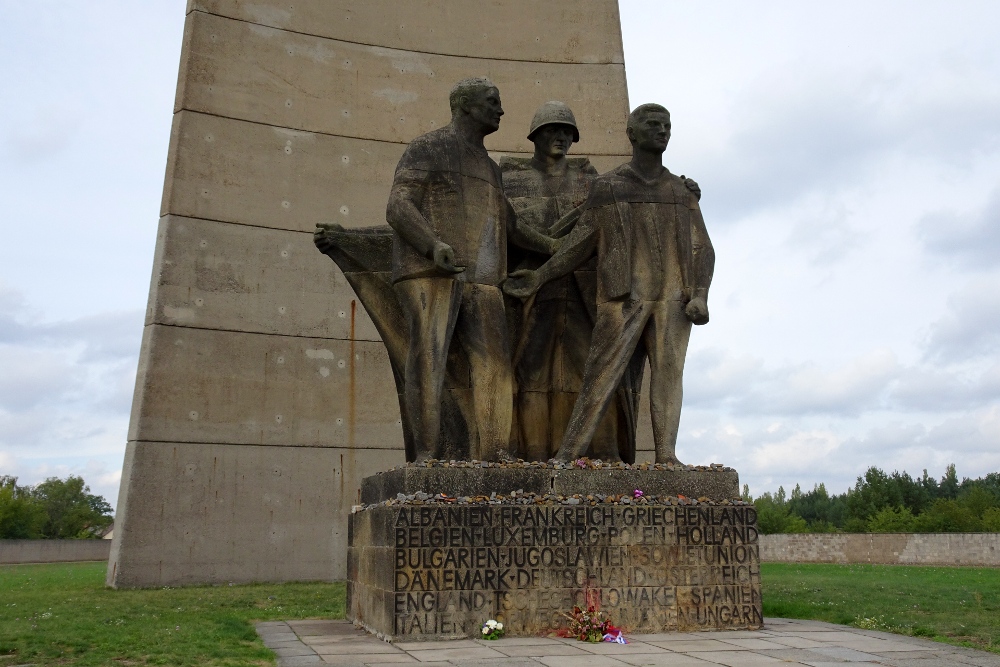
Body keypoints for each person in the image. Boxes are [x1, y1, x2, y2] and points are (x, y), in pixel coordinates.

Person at [504, 103, 714, 465]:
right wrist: (540, 276)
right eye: (652, 124)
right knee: (601, 376)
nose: (661, 130)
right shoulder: (609, 186)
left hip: (674, 300)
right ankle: (569, 454)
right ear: (632, 133)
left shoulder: (680, 191)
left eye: (666, 125)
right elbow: (580, 244)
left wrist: (700, 294)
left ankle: (666, 455)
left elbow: (703, 248)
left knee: (669, 376)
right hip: (624, 297)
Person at [385, 77, 516, 462]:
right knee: (429, 357)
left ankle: (494, 452)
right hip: (431, 272)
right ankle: (427, 454)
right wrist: (432, 245)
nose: (501, 110)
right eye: (492, 101)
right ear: (464, 105)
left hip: (485, 280)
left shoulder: (492, 169)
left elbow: (511, 227)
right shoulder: (429, 147)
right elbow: (398, 205)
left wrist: (560, 244)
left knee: (495, 365)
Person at [500, 101, 623, 461]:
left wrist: (686, 192)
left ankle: (602, 453)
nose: (561, 138)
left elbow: (620, 211)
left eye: (567, 132)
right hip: (529, 286)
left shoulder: (591, 180)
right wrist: (553, 246)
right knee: (530, 370)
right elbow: (506, 225)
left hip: (582, 286)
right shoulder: (509, 179)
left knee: (593, 366)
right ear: (535, 135)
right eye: (553, 130)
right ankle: (533, 453)